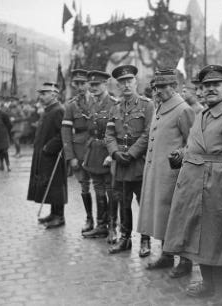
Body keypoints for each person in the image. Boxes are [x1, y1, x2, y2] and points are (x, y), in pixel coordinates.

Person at [163, 65, 222, 306]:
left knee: (218, 240)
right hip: (194, 185)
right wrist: (181, 154)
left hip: (219, 188)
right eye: (206, 86)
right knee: (199, 239)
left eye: (216, 85)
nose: (210, 89)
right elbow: (196, 145)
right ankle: (208, 284)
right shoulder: (201, 114)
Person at [137, 69, 195, 276]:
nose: (157, 91)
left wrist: (179, 154)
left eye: (162, 87)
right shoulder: (159, 107)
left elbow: (193, 144)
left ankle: (186, 261)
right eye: (155, 87)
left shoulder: (183, 110)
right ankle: (166, 256)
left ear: (175, 87)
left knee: (178, 219)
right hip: (157, 174)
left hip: (174, 176)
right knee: (162, 216)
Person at [105, 64, 154, 255]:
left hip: (138, 162)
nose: (126, 85)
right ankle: (125, 239)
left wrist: (132, 153)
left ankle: (145, 240)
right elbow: (109, 134)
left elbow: (148, 132)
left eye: (129, 81)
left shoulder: (147, 104)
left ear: (136, 82)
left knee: (143, 203)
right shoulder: (115, 107)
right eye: (122, 82)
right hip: (120, 163)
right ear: (118, 85)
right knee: (123, 203)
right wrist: (114, 153)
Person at [81, 70, 118, 244]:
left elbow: (118, 132)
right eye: (91, 85)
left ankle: (112, 227)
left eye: (97, 84)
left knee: (111, 191)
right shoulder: (91, 104)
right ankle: (101, 225)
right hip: (94, 151)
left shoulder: (114, 104)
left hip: (108, 152)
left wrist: (112, 155)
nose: (93, 87)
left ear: (106, 84)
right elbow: (90, 129)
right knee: (98, 189)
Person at [27, 82, 67, 229]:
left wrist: (48, 148)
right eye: (41, 94)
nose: (41, 97)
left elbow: (63, 134)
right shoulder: (48, 110)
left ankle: (59, 216)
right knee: (49, 185)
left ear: (54, 95)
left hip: (53, 155)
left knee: (56, 185)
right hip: (45, 155)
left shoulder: (58, 110)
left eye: (44, 94)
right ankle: (53, 213)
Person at [62, 69, 96, 233]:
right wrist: (71, 157)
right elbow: (66, 133)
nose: (80, 87)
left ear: (89, 84)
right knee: (84, 186)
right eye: (78, 84)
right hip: (79, 150)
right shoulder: (70, 105)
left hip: (98, 149)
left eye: (83, 83)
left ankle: (107, 221)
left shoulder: (98, 101)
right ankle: (89, 218)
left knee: (103, 186)